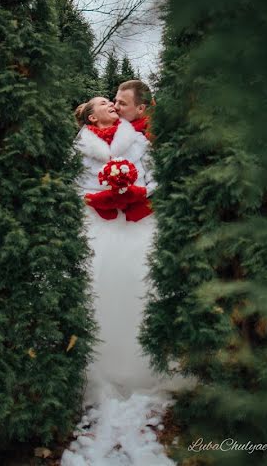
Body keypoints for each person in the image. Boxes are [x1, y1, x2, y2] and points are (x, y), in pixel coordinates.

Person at [72, 96, 185, 408]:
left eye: (113, 102)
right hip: (99, 225)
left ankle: (149, 364)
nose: (111, 104)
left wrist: (138, 193)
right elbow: (73, 185)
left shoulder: (136, 140)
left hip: (138, 222)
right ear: (91, 118)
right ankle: (99, 365)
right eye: (103, 103)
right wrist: (97, 197)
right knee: (99, 287)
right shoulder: (78, 148)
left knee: (144, 283)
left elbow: (156, 176)